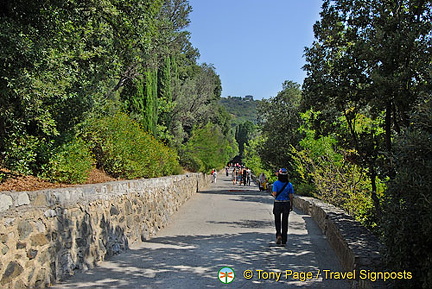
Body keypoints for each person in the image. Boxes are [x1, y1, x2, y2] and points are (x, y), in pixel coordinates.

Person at [271, 168, 294, 246]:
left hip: (278, 203)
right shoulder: (289, 184)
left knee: (277, 220)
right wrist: (291, 204)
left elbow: (274, 193)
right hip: (286, 203)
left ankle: (278, 235)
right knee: (285, 221)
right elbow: (291, 196)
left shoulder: (276, 183)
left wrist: (273, 194)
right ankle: (284, 240)